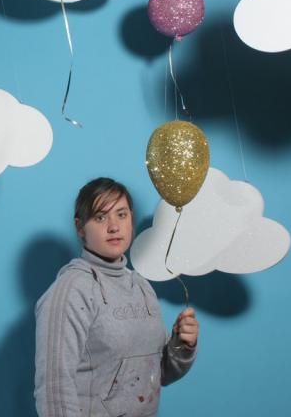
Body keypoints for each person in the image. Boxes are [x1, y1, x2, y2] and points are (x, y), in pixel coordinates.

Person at [34, 177, 199, 417]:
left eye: (121, 215)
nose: (113, 226)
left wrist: (183, 345)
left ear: (131, 219)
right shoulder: (71, 290)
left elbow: (158, 375)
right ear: (80, 228)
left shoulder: (141, 286)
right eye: (100, 217)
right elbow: (54, 390)